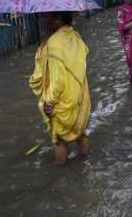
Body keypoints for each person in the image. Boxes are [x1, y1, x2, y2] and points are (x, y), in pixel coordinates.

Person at [29, 12, 91, 165]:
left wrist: (49, 102)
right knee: (81, 134)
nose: (44, 20)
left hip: (62, 99)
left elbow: (57, 79)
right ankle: (86, 164)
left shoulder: (54, 43)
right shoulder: (75, 36)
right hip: (80, 95)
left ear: (57, 19)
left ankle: (62, 177)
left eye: (46, 17)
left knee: (58, 140)